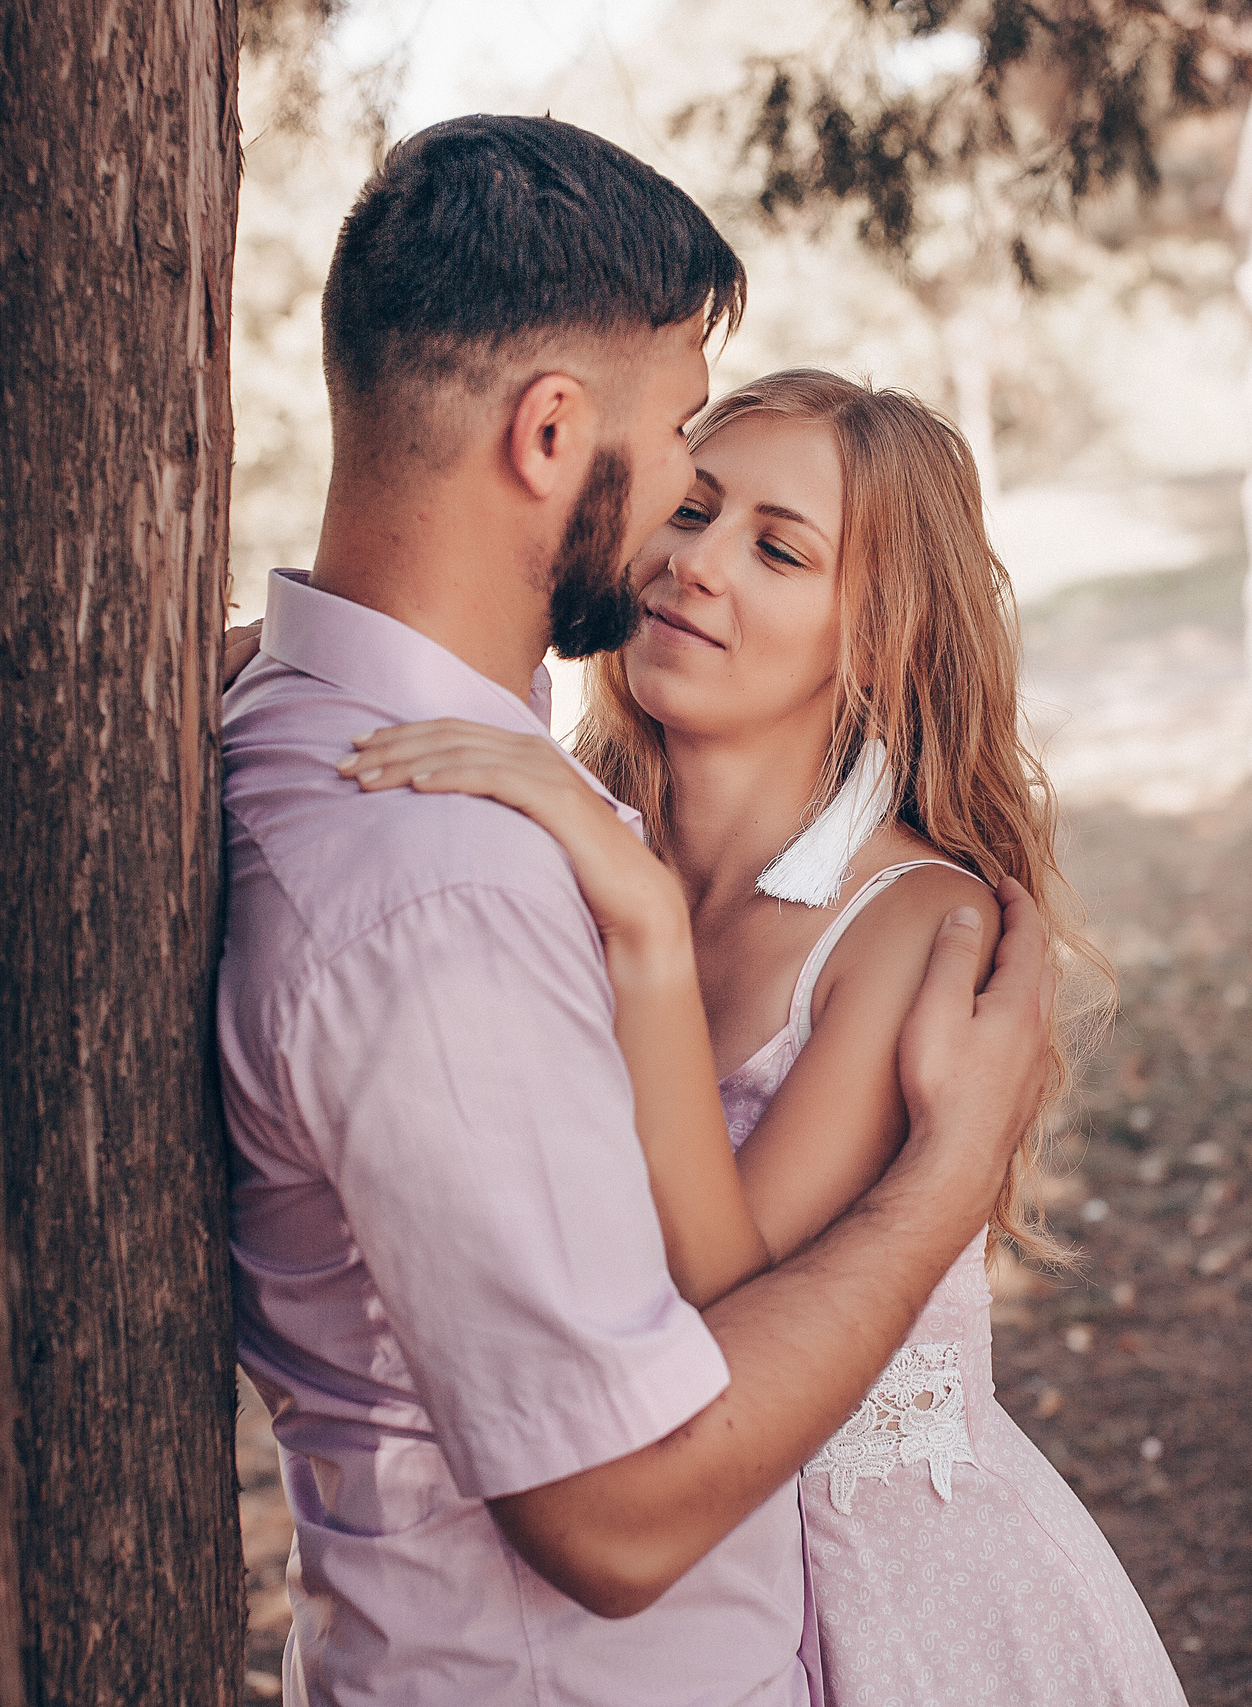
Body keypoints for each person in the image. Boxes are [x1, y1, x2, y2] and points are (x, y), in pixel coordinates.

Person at [216, 117, 1057, 1707]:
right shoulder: (452, 887)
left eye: (772, 539)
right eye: (685, 454)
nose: (686, 524)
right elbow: (615, 1513)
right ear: (551, 437)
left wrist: (277, 642)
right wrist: (948, 1175)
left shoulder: (382, 752)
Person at [341, 371, 1188, 1705]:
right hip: (661, 1620)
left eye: (776, 548)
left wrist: (650, 946)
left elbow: (725, 1307)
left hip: (902, 1602)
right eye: (689, 509)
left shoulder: (918, 926)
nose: (695, 564)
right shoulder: (576, 832)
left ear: (876, 638)